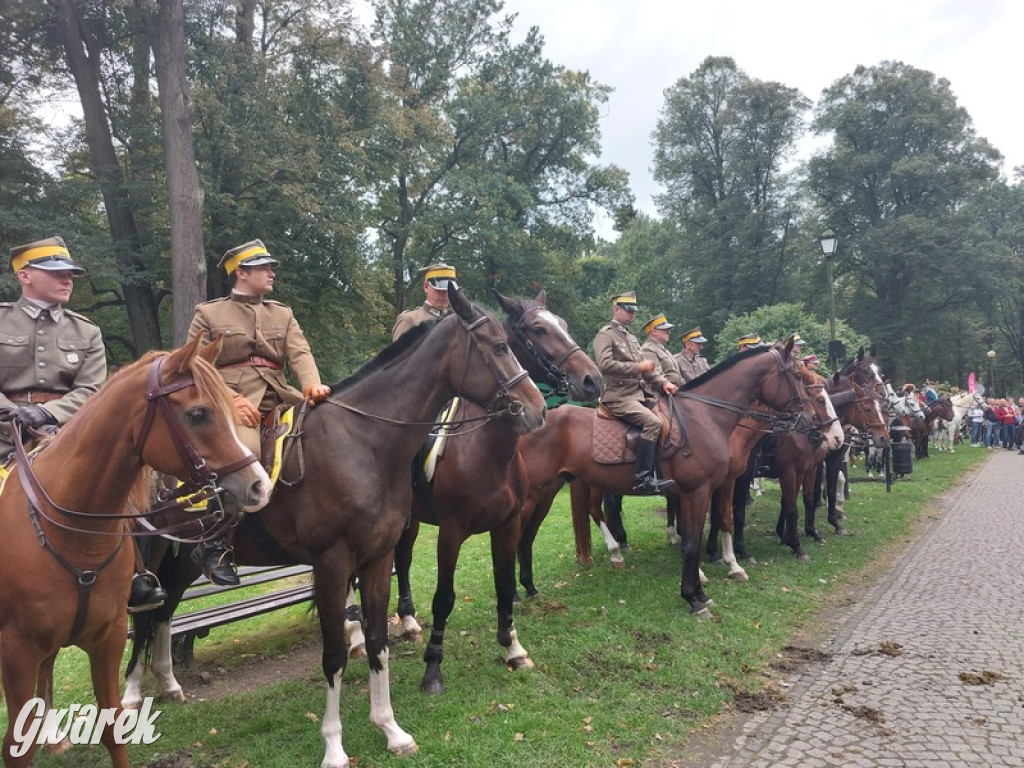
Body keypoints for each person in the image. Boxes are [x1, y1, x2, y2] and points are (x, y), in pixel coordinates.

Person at [0, 237, 163, 610]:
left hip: (66, 435)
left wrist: (47, 414)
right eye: (56, 272)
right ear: (25, 275)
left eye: (70, 273)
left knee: (126, 487)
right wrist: (11, 412)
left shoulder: (85, 331)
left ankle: (136, 576)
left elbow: (92, 389)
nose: (67, 279)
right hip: (3, 436)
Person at [187, 239, 331, 585]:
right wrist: (229, 398)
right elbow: (192, 366)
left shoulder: (282, 312)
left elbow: (300, 354)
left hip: (282, 397)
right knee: (246, 452)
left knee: (330, 433)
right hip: (233, 405)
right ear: (241, 273)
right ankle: (214, 543)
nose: (271, 273)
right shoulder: (209, 313)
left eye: (270, 267)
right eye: (264, 268)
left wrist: (312, 384)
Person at [593, 292, 678, 494]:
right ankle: (643, 479)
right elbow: (604, 365)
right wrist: (637, 367)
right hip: (618, 396)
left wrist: (663, 382)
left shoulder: (631, 338)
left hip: (638, 395)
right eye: (628, 310)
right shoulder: (606, 334)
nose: (632, 314)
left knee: (670, 419)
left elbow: (648, 369)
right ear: (616, 309)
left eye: (634, 311)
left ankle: (662, 470)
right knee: (653, 423)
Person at [392, 263, 457, 340]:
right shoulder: (410, 320)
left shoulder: (456, 321)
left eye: (448, 290)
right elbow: (399, 351)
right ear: (426, 286)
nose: (445, 295)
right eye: (439, 290)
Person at [640, 313, 683, 386]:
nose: (669, 332)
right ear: (654, 331)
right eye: (665, 330)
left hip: (675, 390)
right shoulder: (648, 349)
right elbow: (654, 375)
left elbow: (676, 374)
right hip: (661, 392)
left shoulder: (664, 350)